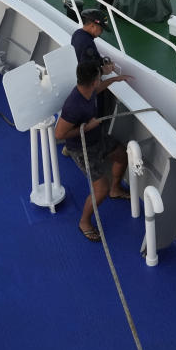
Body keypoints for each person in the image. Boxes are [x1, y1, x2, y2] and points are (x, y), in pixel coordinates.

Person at [54, 61, 134, 242]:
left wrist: (115, 79)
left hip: (98, 139)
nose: (100, 80)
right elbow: (59, 133)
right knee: (100, 190)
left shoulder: (88, 90)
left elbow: (98, 90)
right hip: (82, 149)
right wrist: (87, 127)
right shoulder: (73, 105)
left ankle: (116, 189)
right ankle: (84, 222)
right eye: (100, 78)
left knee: (122, 155)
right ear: (95, 80)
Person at [71, 8, 115, 76]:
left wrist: (104, 62)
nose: (101, 32)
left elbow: (93, 57)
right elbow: (87, 72)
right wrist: (103, 71)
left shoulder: (78, 33)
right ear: (92, 26)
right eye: (101, 29)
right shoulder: (88, 42)